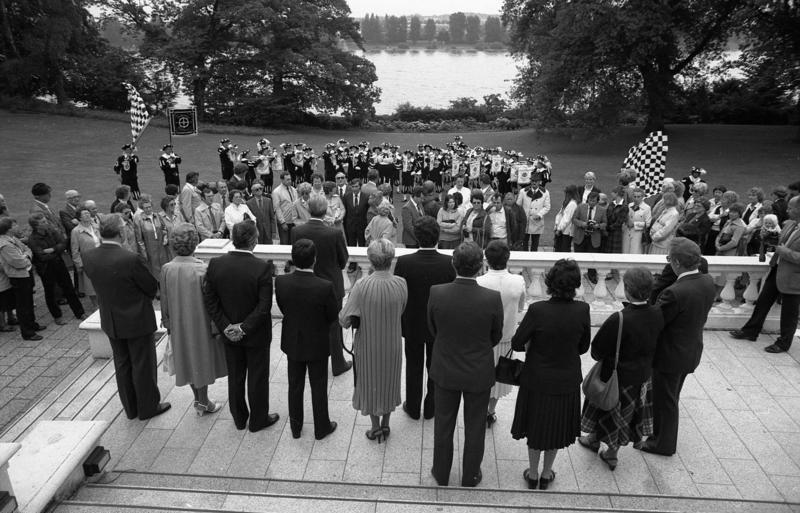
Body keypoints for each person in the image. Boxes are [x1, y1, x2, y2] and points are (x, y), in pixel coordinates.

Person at [427, 242, 503, 487]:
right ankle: (470, 475)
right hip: (478, 371)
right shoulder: (492, 298)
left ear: (453, 264)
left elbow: (433, 329)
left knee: (443, 424)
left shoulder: (437, 292)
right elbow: (496, 336)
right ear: (481, 266)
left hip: (446, 368)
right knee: (475, 427)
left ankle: (441, 473)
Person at [511, 258, 590, 490]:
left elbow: (517, 343)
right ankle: (547, 473)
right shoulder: (582, 309)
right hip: (566, 380)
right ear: (575, 284)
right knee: (556, 427)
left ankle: (533, 472)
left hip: (537, 378)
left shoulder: (538, 310)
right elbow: (583, 347)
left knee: (535, 426)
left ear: (550, 282)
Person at [83, 214, 170, 420]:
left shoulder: (89, 256)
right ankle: (148, 408)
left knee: (122, 364)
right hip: (136, 320)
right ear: (121, 232)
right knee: (142, 365)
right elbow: (150, 287)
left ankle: (131, 408)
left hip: (111, 320)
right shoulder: (130, 259)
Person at [578, 267, 664, 471]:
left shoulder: (620, 318)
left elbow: (596, 351)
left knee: (605, 408)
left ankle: (596, 441)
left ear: (627, 290)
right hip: (642, 376)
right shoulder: (657, 313)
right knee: (626, 416)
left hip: (615, 377)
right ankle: (611, 453)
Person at [639, 238, 715, 456]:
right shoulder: (707, 281)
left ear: (677, 263)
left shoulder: (675, 292)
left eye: (669, 259)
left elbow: (656, 322)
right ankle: (658, 435)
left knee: (666, 401)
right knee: (670, 396)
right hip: (689, 350)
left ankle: (662, 444)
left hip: (670, 355)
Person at [203, 221, 279, 432]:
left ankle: (239, 418)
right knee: (257, 377)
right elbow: (264, 306)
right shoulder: (262, 267)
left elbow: (210, 300)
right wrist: (243, 328)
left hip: (229, 335)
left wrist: (226, 327)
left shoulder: (216, 264)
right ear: (254, 241)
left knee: (235, 377)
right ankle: (258, 420)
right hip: (256, 334)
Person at [340, 239, 408, 442]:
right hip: (392, 341)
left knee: (370, 381)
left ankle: (375, 427)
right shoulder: (401, 283)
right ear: (391, 259)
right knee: (389, 380)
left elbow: (344, 320)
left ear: (370, 260)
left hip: (368, 343)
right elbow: (401, 310)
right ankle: (386, 425)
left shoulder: (361, 286)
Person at [276, 239, 339, 440]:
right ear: (314, 260)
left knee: (294, 385)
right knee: (318, 385)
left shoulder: (281, 281)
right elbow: (332, 316)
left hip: (293, 340)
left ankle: (296, 427)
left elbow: (283, 307)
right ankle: (321, 427)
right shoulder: (324, 286)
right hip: (317, 342)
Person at [160, 224, 227, 416]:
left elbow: (163, 300)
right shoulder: (203, 269)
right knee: (201, 361)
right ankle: (204, 402)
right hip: (200, 324)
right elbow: (212, 303)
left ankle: (199, 400)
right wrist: (216, 328)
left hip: (178, 325)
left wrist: (168, 324)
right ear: (195, 244)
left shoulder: (166, 269)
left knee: (187, 361)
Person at [395, 217, 457, 420]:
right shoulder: (449, 263)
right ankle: (431, 408)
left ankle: (413, 407)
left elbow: (400, 295)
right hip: (438, 326)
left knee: (413, 366)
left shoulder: (404, 262)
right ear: (437, 236)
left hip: (412, 323)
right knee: (435, 367)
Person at [730, 195, 800, 353]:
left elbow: (788, 251)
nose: (787, 210)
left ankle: (783, 343)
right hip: (777, 269)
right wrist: (767, 237)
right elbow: (780, 240)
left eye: (791, 208)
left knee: (790, 313)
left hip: (794, 278)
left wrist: (785, 252)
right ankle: (750, 331)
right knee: (762, 302)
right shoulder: (790, 224)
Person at [291, 195, 352, 376]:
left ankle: (311, 360)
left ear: (309, 209)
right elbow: (343, 260)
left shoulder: (297, 231)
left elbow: (297, 258)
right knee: (334, 326)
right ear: (325, 211)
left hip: (305, 285)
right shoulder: (334, 233)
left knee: (308, 324)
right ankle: (338, 364)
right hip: (330, 285)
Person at [476, 240, 525, 427]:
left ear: (486, 259)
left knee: (483, 379)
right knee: (499, 379)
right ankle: (490, 411)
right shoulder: (518, 281)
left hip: (484, 340)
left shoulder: (479, 282)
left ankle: (482, 410)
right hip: (505, 338)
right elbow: (520, 307)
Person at [26, 212, 85, 325]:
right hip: (46, 268)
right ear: (36, 226)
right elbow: (42, 256)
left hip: (59, 263)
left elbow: (63, 242)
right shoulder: (33, 239)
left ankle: (79, 312)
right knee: (50, 292)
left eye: (45, 220)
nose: (46, 223)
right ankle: (57, 315)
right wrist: (57, 250)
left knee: (69, 287)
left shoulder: (51, 231)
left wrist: (53, 249)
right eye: (43, 222)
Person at [0, 218, 42, 340]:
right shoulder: (5, 244)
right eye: (15, 225)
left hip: (26, 273)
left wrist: (25, 255)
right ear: (8, 229)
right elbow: (18, 262)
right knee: (23, 305)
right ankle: (27, 332)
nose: (17, 227)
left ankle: (32, 324)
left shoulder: (13, 239)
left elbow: (27, 249)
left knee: (28, 301)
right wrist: (26, 258)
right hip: (18, 276)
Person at [572, 191, 608, 283]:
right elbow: (574, 219)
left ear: (597, 201)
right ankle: (576, 276)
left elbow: (605, 223)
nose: (591, 202)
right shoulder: (580, 207)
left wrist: (598, 226)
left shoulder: (602, 210)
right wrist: (582, 224)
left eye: (593, 201)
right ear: (587, 199)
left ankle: (591, 275)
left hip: (594, 238)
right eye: (590, 200)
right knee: (579, 257)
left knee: (592, 258)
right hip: (580, 236)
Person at [70, 206, 101, 309]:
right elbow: (75, 251)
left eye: (88, 212)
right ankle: (96, 305)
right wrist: (79, 265)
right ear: (79, 218)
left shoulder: (96, 226)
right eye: (84, 214)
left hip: (101, 258)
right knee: (91, 284)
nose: (87, 214)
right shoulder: (76, 231)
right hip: (88, 261)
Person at [134, 195, 170, 282]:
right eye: (146, 208)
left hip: (161, 247)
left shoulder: (158, 216)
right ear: (142, 208)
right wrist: (144, 253)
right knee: (153, 270)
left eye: (150, 207)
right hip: (150, 249)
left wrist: (165, 238)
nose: (148, 209)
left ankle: (164, 286)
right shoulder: (139, 220)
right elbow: (139, 239)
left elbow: (164, 228)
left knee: (164, 268)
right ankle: (156, 290)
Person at [516, 172, 550, 251]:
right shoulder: (523, 191)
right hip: (525, 221)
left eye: (536, 181)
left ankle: (534, 258)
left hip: (537, 221)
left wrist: (540, 214)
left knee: (535, 243)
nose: (534, 182)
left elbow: (547, 207)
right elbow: (518, 205)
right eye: (533, 181)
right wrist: (521, 216)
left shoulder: (545, 193)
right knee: (524, 242)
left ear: (540, 182)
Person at [272, 171, 298, 244]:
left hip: (293, 221)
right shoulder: (276, 192)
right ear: (282, 180)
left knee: (293, 242)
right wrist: (282, 222)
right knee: (284, 243)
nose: (290, 181)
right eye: (287, 180)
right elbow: (277, 208)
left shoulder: (293, 189)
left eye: (290, 179)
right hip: (284, 221)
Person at [343, 178, 370, 249]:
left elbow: (368, 212)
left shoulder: (366, 197)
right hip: (350, 226)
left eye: (356, 186)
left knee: (362, 246)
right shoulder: (346, 196)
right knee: (351, 247)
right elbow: (345, 211)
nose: (354, 189)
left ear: (360, 187)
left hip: (362, 226)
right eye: (353, 187)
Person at [553, 185, 580, 252]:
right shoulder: (567, 202)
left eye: (566, 193)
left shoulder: (572, 204)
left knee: (564, 249)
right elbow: (560, 214)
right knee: (558, 248)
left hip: (566, 232)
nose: (565, 194)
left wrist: (559, 229)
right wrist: (556, 225)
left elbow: (566, 218)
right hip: (561, 229)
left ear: (570, 193)